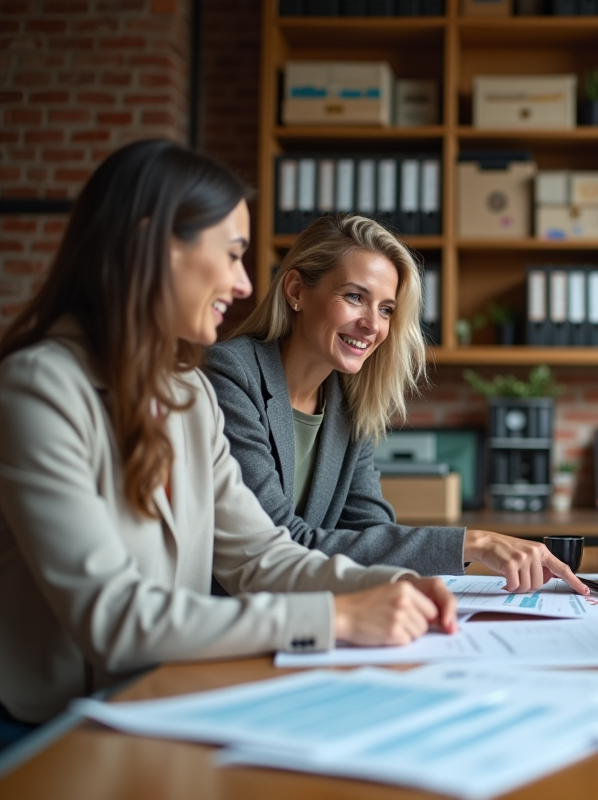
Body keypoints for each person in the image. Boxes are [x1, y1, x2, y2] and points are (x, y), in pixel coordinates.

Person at [0, 141, 458, 727]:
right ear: (156, 246)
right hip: (47, 728)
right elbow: (114, 619)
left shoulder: (187, 395)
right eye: (233, 254)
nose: (244, 285)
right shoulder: (37, 388)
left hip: (162, 705)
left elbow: (261, 556)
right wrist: (338, 617)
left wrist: (393, 584)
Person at [205, 214, 588, 595]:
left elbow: (369, 533)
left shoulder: (349, 403)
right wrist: (472, 543)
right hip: (231, 623)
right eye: (355, 297)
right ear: (296, 291)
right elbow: (279, 543)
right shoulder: (232, 375)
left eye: (386, 309)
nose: (372, 325)